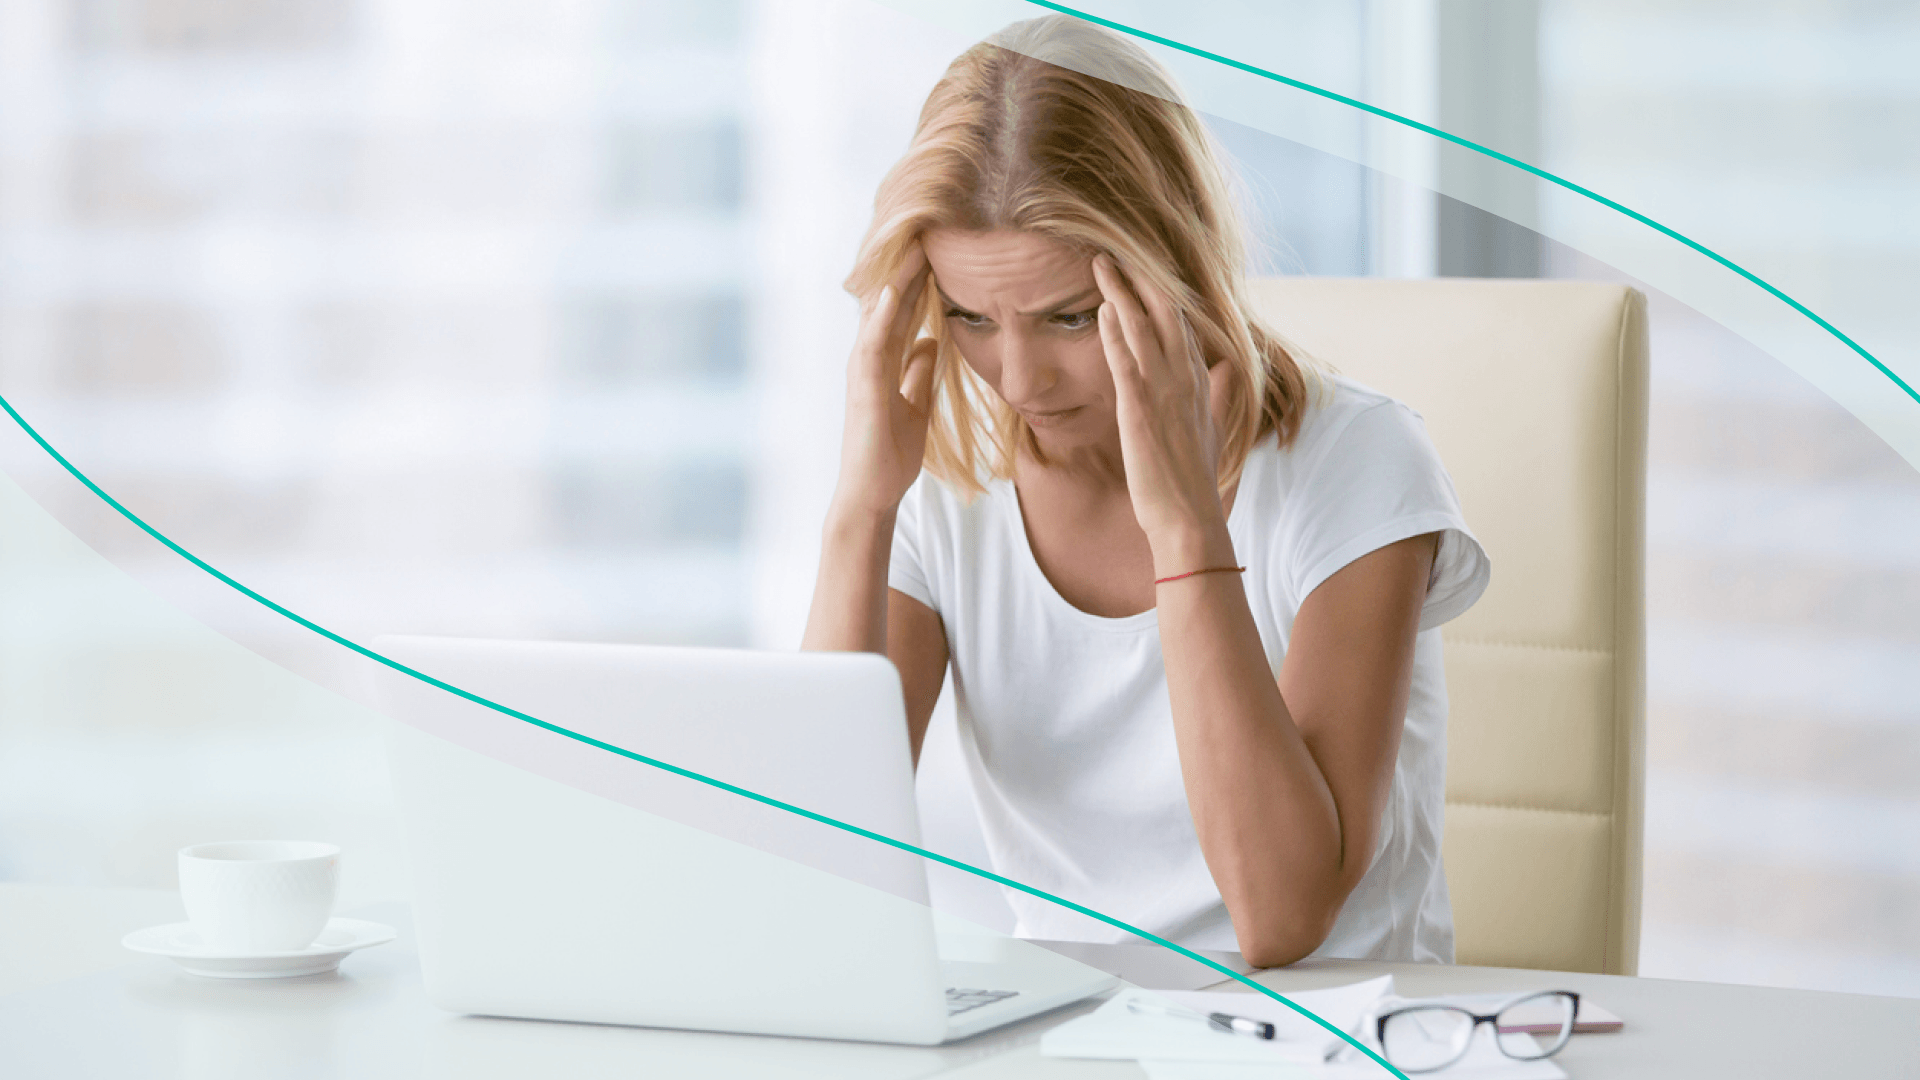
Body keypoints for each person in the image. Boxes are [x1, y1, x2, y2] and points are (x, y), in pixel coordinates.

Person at [801, 14, 1489, 968]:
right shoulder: (943, 497)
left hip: (1325, 1039)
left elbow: (1281, 919)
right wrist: (860, 513)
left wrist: (1183, 526)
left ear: (1171, 270)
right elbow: (814, 870)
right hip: (1066, 1035)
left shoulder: (1357, 464)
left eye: (1068, 317)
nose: (1019, 379)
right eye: (970, 316)